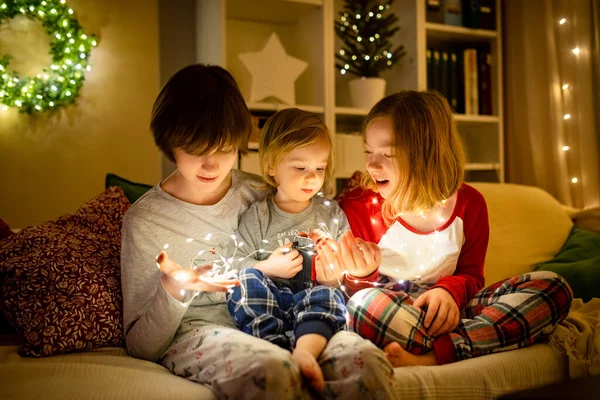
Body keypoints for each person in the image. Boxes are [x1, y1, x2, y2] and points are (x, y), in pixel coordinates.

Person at [121, 64, 396, 399]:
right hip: (202, 330)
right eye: (196, 150)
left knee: (365, 360)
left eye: (223, 149)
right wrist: (174, 291)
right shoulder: (146, 220)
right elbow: (139, 346)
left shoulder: (262, 193)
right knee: (273, 370)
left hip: (289, 315)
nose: (211, 165)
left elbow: (332, 279)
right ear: (170, 141)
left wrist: (340, 273)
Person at [317, 90, 573, 367]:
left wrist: (448, 291)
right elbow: (347, 290)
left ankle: (435, 354)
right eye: (367, 150)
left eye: (387, 153)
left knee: (553, 287)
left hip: (457, 313)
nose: (371, 164)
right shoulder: (361, 205)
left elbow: (472, 276)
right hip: (392, 312)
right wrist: (362, 275)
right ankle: (467, 345)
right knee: (364, 304)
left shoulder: (469, 205)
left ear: (425, 154)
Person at [228, 108, 350, 391]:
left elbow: (345, 275)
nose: (312, 178)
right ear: (271, 167)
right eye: (300, 168)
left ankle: (305, 349)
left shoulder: (330, 213)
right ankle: (274, 346)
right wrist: (267, 267)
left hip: (311, 299)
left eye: (319, 168)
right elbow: (236, 266)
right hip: (268, 302)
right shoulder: (258, 215)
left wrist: (334, 275)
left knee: (330, 294)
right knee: (245, 282)